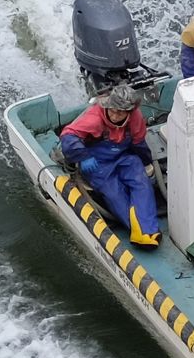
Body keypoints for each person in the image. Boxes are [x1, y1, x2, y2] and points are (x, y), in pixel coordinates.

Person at [59, 81, 162, 247]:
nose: (114, 116)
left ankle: (149, 230)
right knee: (114, 192)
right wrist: (82, 156)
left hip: (124, 156)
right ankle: (140, 233)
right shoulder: (94, 119)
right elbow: (68, 136)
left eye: (120, 113)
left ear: (129, 112)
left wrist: (147, 163)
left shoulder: (135, 118)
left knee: (141, 182)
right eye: (112, 111)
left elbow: (138, 142)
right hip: (96, 163)